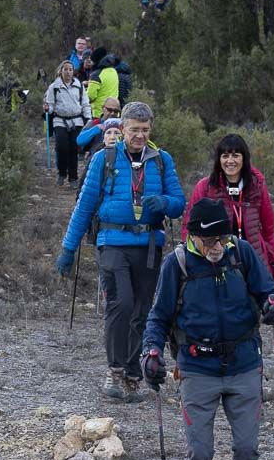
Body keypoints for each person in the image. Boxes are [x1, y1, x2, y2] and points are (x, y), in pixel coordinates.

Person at [141, 198, 274, 460]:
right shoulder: (176, 265)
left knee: (247, 448)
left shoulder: (241, 254)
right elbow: (157, 318)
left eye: (222, 238)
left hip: (243, 365)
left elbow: (271, 294)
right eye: (209, 241)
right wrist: (151, 354)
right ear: (192, 236)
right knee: (199, 454)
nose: (217, 247)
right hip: (197, 369)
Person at [56, 102, 185, 402]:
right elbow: (85, 206)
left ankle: (132, 375)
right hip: (112, 242)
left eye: (144, 130)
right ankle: (113, 371)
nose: (139, 135)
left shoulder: (162, 160)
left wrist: (165, 203)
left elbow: (180, 202)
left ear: (150, 129)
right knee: (121, 304)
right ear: (123, 128)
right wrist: (68, 248)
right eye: (133, 130)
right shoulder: (105, 158)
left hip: (149, 245)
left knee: (142, 311)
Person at [182, 134, 274, 279]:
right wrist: (194, 259)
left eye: (235, 155)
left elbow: (268, 229)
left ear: (244, 158)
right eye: (225, 156)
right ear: (219, 159)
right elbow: (188, 228)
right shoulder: (205, 187)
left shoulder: (257, 186)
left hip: (253, 260)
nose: (230, 161)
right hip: (216, 262)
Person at [44, 60, 92, 188]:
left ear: (73, 71)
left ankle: (73, 177)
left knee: (73, 149)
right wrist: (48, 109)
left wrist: (88, 118)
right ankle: (61, 172)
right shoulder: (54, 87)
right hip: (59, 120)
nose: (68, 72)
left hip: (77, 120)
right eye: (65, 69)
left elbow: (85, 104)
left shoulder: (79, 86)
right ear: (61, 71)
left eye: (70, 69)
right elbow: (51, 105)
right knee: (62, 146)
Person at [86, 47, 120, 120]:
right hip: (114, 112)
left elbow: (90, 96)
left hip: (99, 114)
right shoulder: (113, 71)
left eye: (92, 61)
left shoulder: (96, 75)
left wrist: (82, 91)